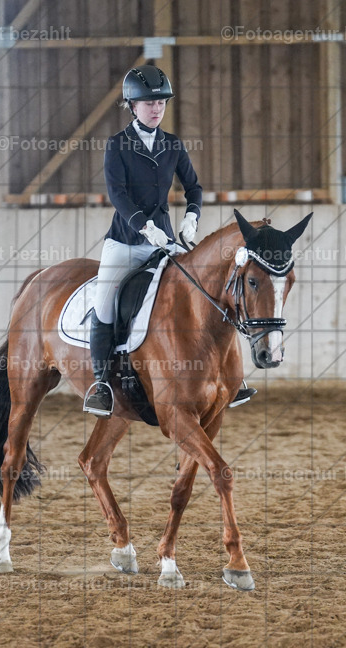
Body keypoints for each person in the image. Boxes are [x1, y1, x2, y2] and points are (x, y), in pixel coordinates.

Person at [84, 64, 255, 416]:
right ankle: (101, 383)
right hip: (126, 241)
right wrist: (144, 226)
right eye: (149, 102)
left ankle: (229, 378)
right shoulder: (117, 145)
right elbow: (117, 194)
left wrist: (192, 217)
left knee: (207, 292)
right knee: (104, 307)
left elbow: (193, 186)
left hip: (166, 239)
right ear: (133, 105)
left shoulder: (172, 144)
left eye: (161, 101)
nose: (156, 107)